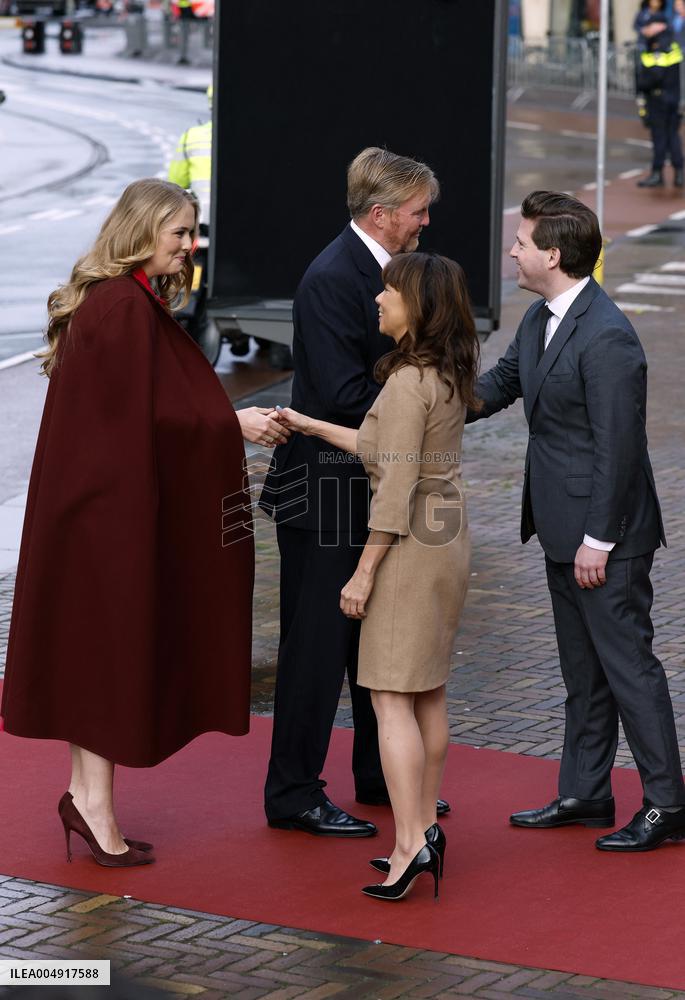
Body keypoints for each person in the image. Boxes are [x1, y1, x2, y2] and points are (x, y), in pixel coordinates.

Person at [0, 178, 288, 867]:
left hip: (91, 517)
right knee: (104, 659)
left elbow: (133, 418)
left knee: (93, 661)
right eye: (179, 234)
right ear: (141, 230)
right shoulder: (125, 309)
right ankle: (92, 808)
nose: (191, 247)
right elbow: (151, 420)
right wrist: (234, 423)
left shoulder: (115, 302)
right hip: (105, 526)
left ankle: (87, 799)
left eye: (193, 233)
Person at [468, 190, 685, 852]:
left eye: (522, 241)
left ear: (551, 254)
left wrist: (598, 540)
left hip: (603, 538)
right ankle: (586, 793)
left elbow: (619, 449)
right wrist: (427, 396)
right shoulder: (540, 320)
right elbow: (496, 387)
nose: (512, 250)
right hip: (561, 528)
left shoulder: (607, 336)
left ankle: (667, 806)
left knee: (627, 669)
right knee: (582, 672)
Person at [260, 147, 450, 837]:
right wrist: (419, 398)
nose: (426, 222)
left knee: (377, 637)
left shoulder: (377, 271)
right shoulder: (331, 279)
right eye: (417, 211)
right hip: (324, 495)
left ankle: (377, 774)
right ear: (381, 215)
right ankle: (292, 794)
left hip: (360, 490)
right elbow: (340, 395)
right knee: (314, 650)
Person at [277, 252, 479, 899]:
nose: (378, 302)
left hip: (408, 549)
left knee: (391, 698)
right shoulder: (443, 376)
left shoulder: (402, 383)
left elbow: (390, 491)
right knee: (428, 693)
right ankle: (422, 829)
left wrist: (362, 573)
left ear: (414, 305)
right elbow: (383, 446)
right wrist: (306, 423)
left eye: (389, 293)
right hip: (446, 541)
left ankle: (410, 843)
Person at [635, 18, 684, 188]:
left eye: (648, 26)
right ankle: (679, 173)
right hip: (673, 98)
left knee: (659, 137)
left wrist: (641, 84)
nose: (644, 30)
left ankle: (657, 174)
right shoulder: (673, 42)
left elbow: (655, 74)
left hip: (658, 99)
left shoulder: (658, 44)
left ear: (659, 26)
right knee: (673, 136)